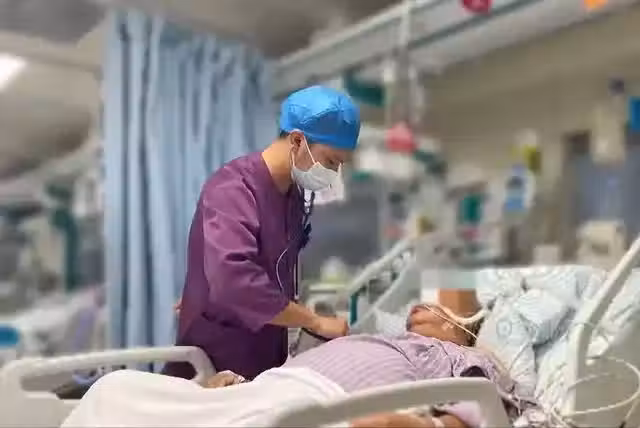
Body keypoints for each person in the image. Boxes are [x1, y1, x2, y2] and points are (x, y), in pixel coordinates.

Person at [62, 301, 523, 428]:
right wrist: (231, 382)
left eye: (435, 310)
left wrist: (421, 426)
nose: (419, 308)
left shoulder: (462, 356)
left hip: (318, 406)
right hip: (265, 388)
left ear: (461, 328)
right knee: (115, 390)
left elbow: (481, 408)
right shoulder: (382, 338)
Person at [165, 85, 361, 381]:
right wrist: (314, 321)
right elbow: (234, 280)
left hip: (263, 352)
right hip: (218, 355)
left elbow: (271, 266)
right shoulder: (233, 189)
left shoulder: (293, 195)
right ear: (298, 140)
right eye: (331, 161)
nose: (333, 173)